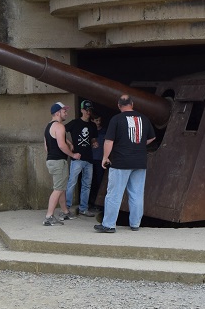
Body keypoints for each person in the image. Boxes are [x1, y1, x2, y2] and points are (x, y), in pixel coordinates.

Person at [94, 95, 155, 234]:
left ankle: (109, 225)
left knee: (114, 194)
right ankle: (135, 224)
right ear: (132, 104)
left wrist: (105, 157)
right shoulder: (143, 119)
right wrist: (137, 146)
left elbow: (109, 141)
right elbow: (152, 137)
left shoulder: (116, 119)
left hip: (121, 162)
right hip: (139, 162)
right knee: (137, 194)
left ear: (118, 105)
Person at [43, 102, 77, 226]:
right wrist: (73, 155)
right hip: (59, 162)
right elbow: (61, 145)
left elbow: (46, 146)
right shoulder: (59, 126)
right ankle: (49, 217)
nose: (66, 114)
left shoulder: (48, 127)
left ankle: (65, 212)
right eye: (64, 111)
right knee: (58, 189)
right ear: (58, 113)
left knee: (61, 187)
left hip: (50, 161)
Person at [65, 101, 98, 216]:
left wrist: (94, 143)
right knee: (72, 183)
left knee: (86, 185)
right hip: (77, 158)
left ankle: (83, 208)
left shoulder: (92, 125)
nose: (88, 112)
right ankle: (67, 208)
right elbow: (61, 132)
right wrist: (69, 143)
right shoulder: (75, 123)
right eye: (86, 110)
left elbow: (93, 139)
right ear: (82, 110)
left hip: (89, 158)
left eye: (90, 110)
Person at [87, 113, 107, 214]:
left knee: (100, 182)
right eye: (96, 120)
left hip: (100, 160)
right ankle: (90, 202)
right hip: (90, 159)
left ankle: (99, 203)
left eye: (99, 120)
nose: (98, 123)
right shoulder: (89, 131)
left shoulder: (105, 131)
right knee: (90, 182)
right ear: (92, 121)